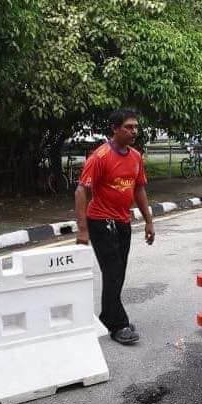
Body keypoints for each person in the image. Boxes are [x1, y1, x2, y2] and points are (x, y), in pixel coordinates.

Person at [75, 108, 155, 345]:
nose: (134, 131)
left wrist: (149, 221)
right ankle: (118, 324)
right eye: (129, 127)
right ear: (115, 129)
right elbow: (81, 191)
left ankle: (107, 316)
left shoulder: (136, 157)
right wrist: (82, 230)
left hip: (122, 222)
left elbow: (138, 189)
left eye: (136, 127)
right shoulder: (100, 157)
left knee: (118, 274)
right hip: (100, 221)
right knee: (112, 272)